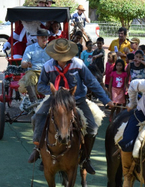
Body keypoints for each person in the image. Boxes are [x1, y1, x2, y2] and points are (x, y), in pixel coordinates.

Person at [27, 39, 114, 175]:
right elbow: (41, 86)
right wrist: (54, 91)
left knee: (92, 128)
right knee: (37, 116)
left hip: (77, 100)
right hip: (55, 100)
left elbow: (92, 83)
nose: (62, 59)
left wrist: (106, 100)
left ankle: (86, 158)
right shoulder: (48, 66)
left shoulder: (79, 64)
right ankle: (38, 149)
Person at [19, 29, 51, 102]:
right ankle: (33, 101)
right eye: (42, 37)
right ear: (38, 38)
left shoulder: (51, 49)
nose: (45, 39)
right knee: (30, 76)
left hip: (47, 72)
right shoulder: (30, 48)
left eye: (46, 37)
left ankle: (51, 100)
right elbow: (23, 63)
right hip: (34, 71)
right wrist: (26, 64)